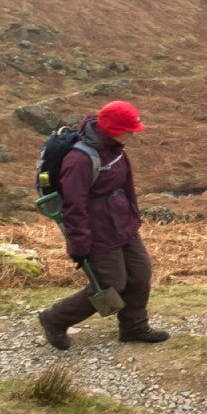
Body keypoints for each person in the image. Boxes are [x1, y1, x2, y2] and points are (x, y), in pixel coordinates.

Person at [38, 99, 167, 350]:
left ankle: (134, 327)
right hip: (97, 231)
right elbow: (74, 206)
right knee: (110, 285)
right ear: (116, 129)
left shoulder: (116, 148)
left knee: (141, 274)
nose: (134, 133)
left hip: (123, 224)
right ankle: (54, 319)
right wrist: (79, 245)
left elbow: (126, 185)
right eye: (130, 129)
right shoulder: (80, 160)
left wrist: (133, 217)